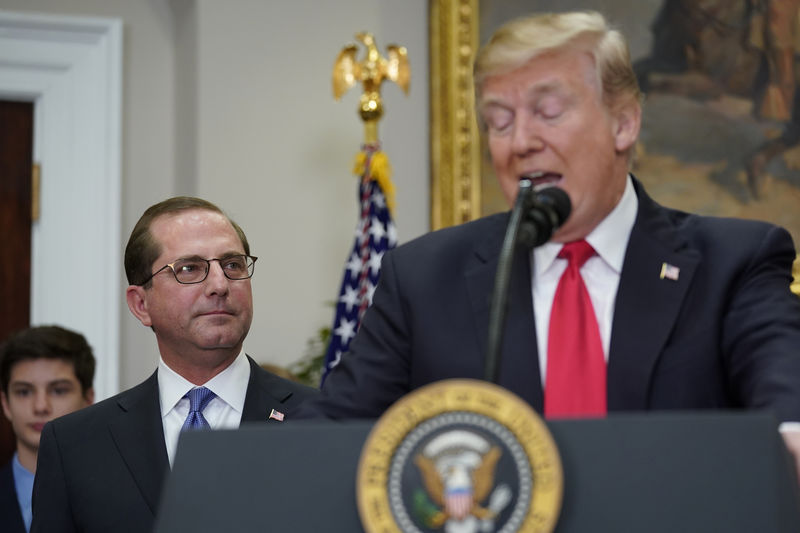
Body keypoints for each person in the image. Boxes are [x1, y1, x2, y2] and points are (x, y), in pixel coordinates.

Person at [296, 11, 800, 470]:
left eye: (549, 111)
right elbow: (322, 445)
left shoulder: (733, 263)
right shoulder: (427, 278)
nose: (521, 142)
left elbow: (787, 407)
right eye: (499, 121)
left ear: (624, 122)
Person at [31, 197, 318, 533]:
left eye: (233, 265)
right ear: (141, 304)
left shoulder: (324, 421)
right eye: (189, 269)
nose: (219, 285)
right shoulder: (75, 445)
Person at [0, 326, 95, 533]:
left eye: (59, 390)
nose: (40, 406)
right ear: (6, 404)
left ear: (88, 399)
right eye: (24, 392)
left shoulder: (118, 494)